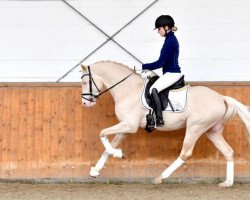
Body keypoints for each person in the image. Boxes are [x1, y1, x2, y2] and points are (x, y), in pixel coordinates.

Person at [142, 15, 182, 127]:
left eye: (159, 29)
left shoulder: (170, 41)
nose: (158, 31)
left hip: (172, 73)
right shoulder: (169, 39)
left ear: (166, 27)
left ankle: (159, 119)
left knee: (153, 89)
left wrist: (144, 66)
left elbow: (161, 63)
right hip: (170, 72)